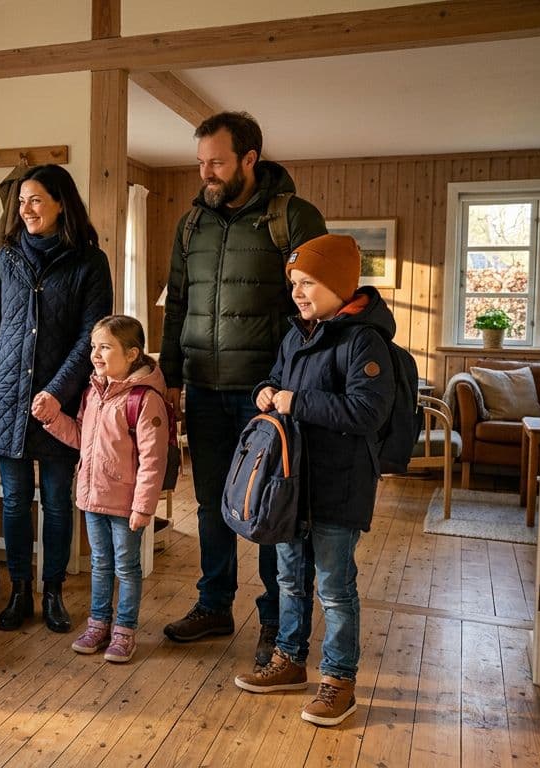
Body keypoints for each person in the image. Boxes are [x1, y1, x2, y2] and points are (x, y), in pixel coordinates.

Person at [159, 111, 328, 667]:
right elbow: (178, 306)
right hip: (204, 389)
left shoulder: (293, 217)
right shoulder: (192, 225)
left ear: (249, 159)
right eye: (201, 162)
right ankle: (214, 604)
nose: (205, 172)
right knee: (210, 503)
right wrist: (172, 381)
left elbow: (317, 307)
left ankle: (278, 622)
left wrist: (294, 385)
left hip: (266, 395)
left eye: (217, 162)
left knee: (271, 508)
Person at [231, 234, 395, 727]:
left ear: (340, 284)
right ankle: (288, 661)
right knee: (288, 577)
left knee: (334, 587)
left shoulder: (363, 339)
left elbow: (368, 409)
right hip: (290, 484)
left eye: (309, 283)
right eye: (295, 283)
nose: (299, 292)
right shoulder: (297, 334)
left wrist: (294, 401)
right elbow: (275, 378)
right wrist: (264, 392)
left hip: (339, 486)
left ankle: (339, 681)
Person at [0, 164, 114, 633]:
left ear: (60, 203)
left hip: (58, 401)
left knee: (56, 501)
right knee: (13, 502)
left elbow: (91, 338)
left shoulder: (90, 261)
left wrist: (57, 392)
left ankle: (53, 594)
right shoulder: (7, 257)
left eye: (35, 200)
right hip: (6, 395)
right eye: (21, 202)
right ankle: (19, 593)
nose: (25, 210)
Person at [33, 315, 171, 663]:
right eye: (94, 346)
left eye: (105, 347)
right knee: (99, 563)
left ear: (132, 354)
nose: (95, 354)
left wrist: (143, 507)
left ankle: (124, 630)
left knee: (126, 566)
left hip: (125, 505)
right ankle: (98, 623)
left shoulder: (144, 400)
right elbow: (82, 438)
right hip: (93, 498)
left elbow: (153, 460)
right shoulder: (93, 392)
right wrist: (52, 418)